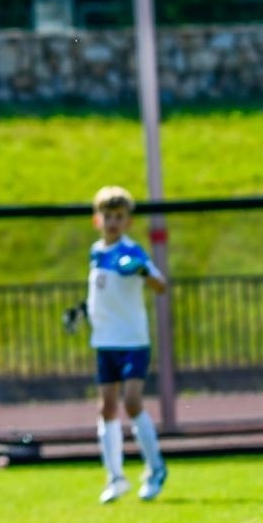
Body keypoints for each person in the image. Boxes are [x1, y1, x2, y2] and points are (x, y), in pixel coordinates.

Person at [87, 186, 169, 504]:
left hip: (132, 340)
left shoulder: (134, 252)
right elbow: (101, 294)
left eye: (119, 216)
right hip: (104, 341)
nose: (112, 222)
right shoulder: (96, 253)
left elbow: (160, 286)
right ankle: (116, 477)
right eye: (107, 216)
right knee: (106, 407)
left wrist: (142, 270)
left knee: (132, 402)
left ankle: (156, 469)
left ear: (128, 221)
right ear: (98, 220)